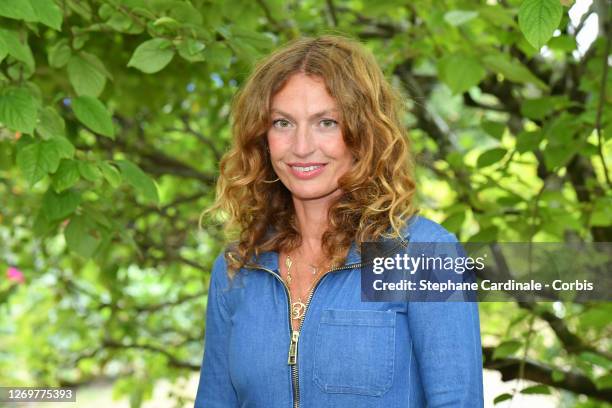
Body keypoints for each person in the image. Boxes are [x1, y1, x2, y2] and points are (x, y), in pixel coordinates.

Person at [194, 34, 483, 407]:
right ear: (262, 137)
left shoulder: (427, 256)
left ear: (363, 134)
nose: (301, 146)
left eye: (326, 122)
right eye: (282, 123)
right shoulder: (237, 268)